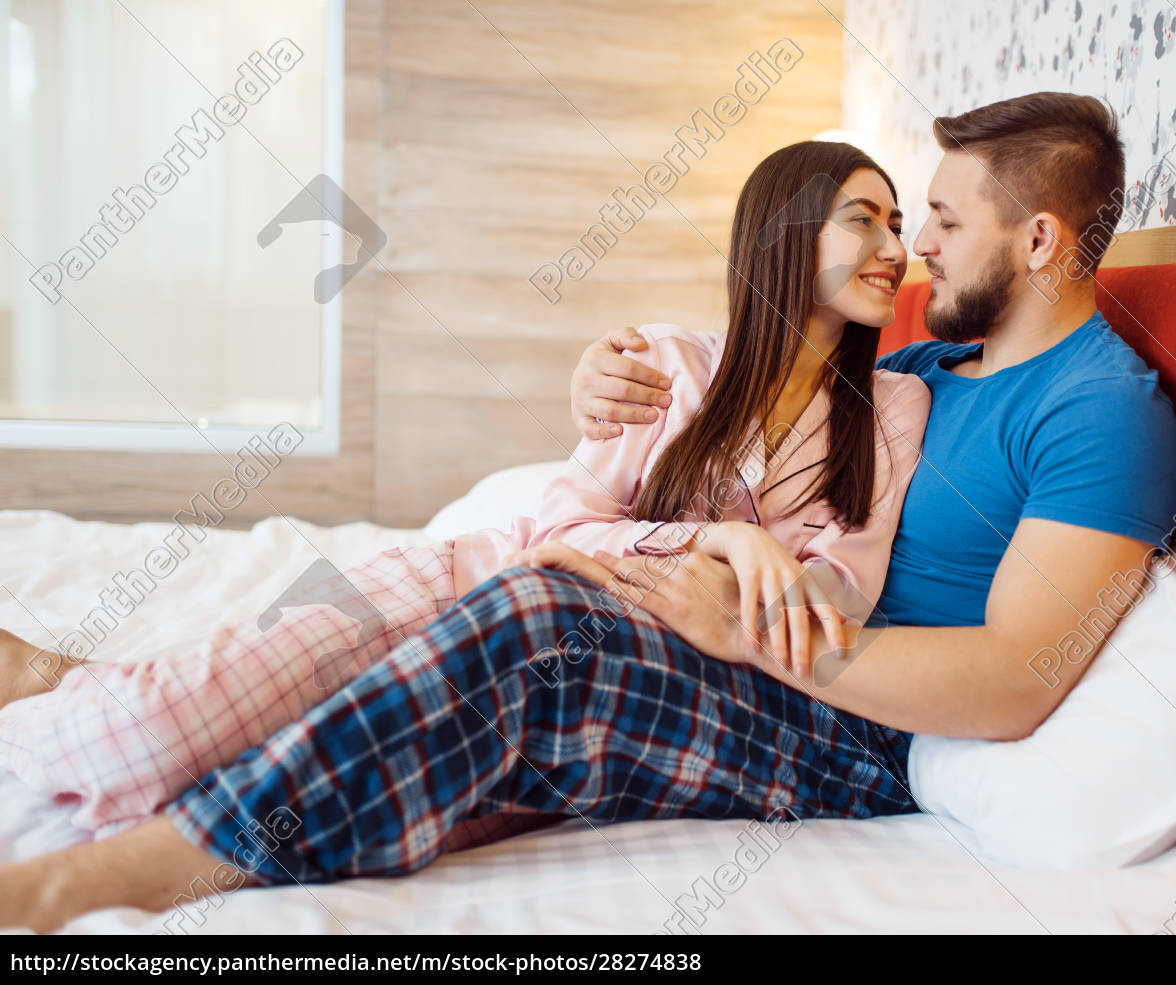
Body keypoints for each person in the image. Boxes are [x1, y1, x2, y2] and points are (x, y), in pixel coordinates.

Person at [0, 91, 1176, 934]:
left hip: (850, 723)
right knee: (424, 634)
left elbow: (1014, 681)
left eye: (939, 220)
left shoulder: (1101, 414)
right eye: (897, 219)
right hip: (759, 643)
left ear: (1036, 238)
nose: (918, 247)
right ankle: (116, 700)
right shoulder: (930, 374)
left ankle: (107, 880)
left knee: (541, 626)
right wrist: (606, 394)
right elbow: (758, 395)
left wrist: (746, 632)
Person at [0, 140, 928, 839]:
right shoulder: (669, 363)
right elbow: (563, 520)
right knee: (157, 723)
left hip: (573, 663)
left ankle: (70, 679)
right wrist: (716, 543)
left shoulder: (895, 404)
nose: (894, 244)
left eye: (899, 222)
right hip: (467, 577)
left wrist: (749, 588)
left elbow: (841, 586)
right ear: (783, 235)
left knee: (254, 754)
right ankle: (54, 680)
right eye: (864, 217)